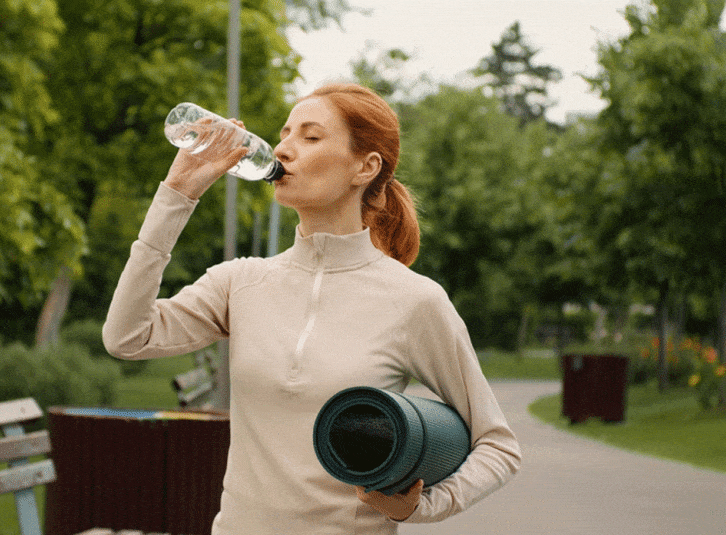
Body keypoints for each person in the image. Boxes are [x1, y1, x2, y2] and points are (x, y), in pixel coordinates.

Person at [103, 83, 521, 534]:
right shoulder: (240, 282)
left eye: (310, 136)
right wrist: (175, 197)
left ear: (366, 166)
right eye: (284, 133)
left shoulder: (413, 300)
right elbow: (127, 336)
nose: (284, 148)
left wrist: (421, 507)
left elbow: (497, 445)